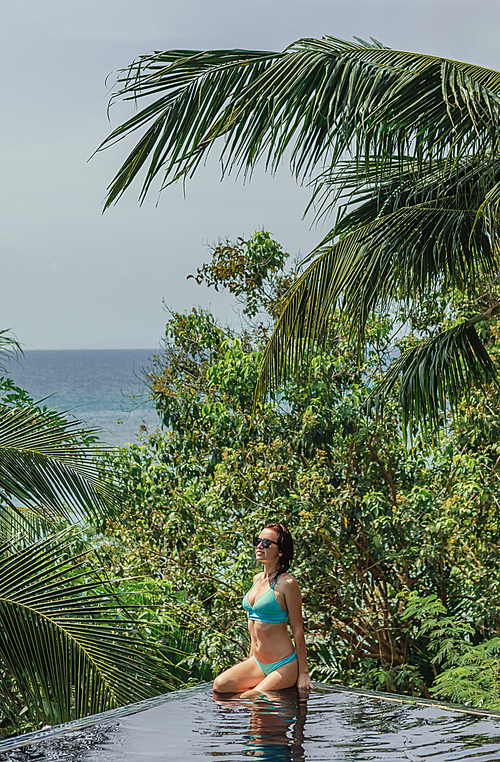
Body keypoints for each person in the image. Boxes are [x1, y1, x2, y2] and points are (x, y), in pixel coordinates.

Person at [213, 522, 312, 698]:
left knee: (250, 698)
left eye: (267, 543)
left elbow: (297, 629)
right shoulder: (257, 579)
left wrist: (303, 673)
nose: (259, 546)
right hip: (258, 662)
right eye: (257, 541)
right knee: (220, 686)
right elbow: (253, 625)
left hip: (283, 665)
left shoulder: (288, 584)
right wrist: (250, 659)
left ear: (280, 551)